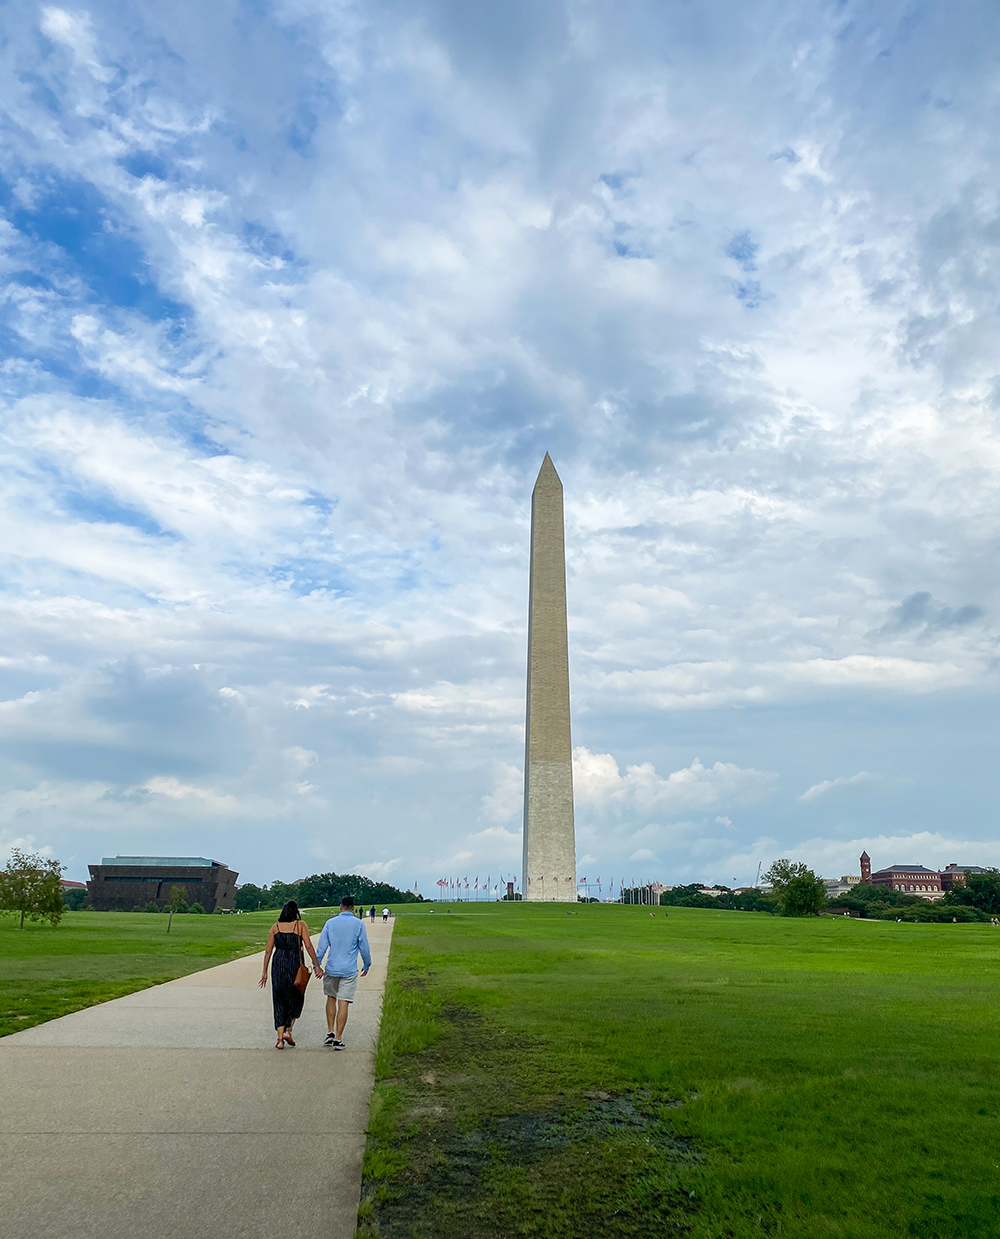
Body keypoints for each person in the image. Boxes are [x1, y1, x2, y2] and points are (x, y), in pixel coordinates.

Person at [259, 901, 320, 1049]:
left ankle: (280, 1039)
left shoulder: (275, 927)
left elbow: (268, 951)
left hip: (278, 964)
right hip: (294, 964)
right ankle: (288, 1030)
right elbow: (309, 945)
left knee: (279, 998)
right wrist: (316, 965)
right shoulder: (300, 925)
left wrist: (264, 971)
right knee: (297, 996)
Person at [314, 896, 372, 1049]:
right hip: (349, 969)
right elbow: (364, 947)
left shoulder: (330, 923)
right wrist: (367, 964)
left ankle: (330, 1032)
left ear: (340, 907)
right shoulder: (358, 924)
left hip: (332, 967)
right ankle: (338, 1039)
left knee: (330, 998)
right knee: (344, 1001)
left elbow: (322, 947)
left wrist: (317, 965)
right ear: (353, 908)